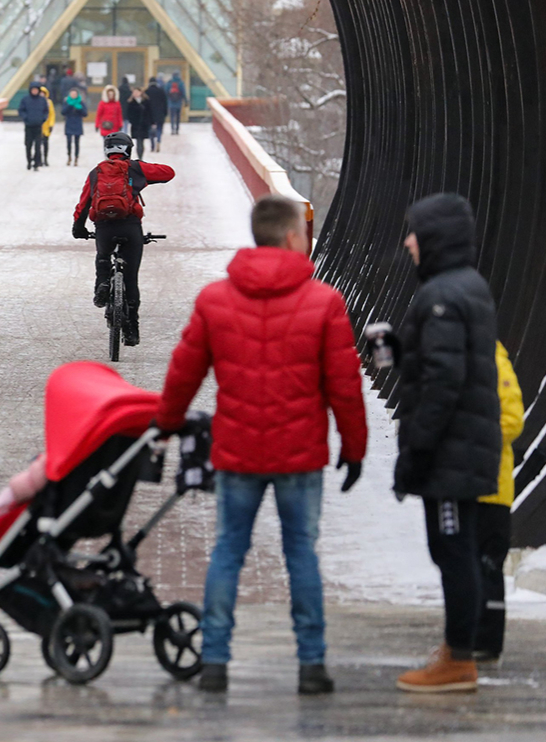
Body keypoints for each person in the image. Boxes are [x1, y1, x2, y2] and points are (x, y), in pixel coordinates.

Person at [155, 195, 367, 696]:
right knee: (301, 555)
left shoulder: (215, 300)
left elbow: (184, 372)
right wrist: (354, 448)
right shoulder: (324, 302)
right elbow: (344, 385)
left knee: (228, 551)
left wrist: (166, 423)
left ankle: (214, 662)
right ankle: (311, 665)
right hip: (300, 454)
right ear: (293, 236)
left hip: (238, 452)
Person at [388, 193, 502, 693]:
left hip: (451, 452)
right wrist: (399, 348)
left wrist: (418, 449)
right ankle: (458, 647)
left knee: (452, 549)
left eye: (414, 232)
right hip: (467, 446)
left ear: (434, 238)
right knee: (456, 548)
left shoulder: (440, 297)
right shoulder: (464, 287)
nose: (408, 242)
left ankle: (459, 660)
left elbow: (443, 381)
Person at [71, 132, 175, 347]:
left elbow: (83, 204)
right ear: (128, 149)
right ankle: (132, 331)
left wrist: (78, 227)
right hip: (130, 226)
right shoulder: (135, 169)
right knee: (130, 278)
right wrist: (142, 172)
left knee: (103, 255)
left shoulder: (96, 172)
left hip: (104, 228)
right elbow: (169, 173)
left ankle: (102, 283)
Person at [474, 341, 523, 662]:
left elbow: (512, 420)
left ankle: (488, 642)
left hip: (492, 487)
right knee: (469, 566)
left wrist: (467, 437)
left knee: (488, 565)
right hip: (468, 486)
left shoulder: (493, 359)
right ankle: (471, 639)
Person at [17, 83, 49, 170]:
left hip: (38, 126)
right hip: (29, 126)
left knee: (38, 145)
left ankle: (36, 163)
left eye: (36, 90)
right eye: (33, 90)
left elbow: (46, 111)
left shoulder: (42, 100)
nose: (34, 91)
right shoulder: (25, 99)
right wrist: (25, 118)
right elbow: (21, 110)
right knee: (28, 145)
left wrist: (42, 119)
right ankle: (29, 161)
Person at [61, 88, 88, 166]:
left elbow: (85, 114)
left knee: (77, 142)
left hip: (77, 123)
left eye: (75, 94)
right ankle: (69, 156)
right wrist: (70, 106)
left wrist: (79, 108)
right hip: (69, 123)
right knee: (69, 141)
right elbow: (63, 112)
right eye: (72, 94)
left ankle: (76, 158)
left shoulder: (81, 102)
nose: (73, 95)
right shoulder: (67, 102)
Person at [125, 87, 151, 159]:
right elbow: (128, 113)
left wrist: (149, 122)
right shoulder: (131, 102)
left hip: (144, 125)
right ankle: (139, 156)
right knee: (138, 141)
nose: (135, 94)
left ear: (141, 92)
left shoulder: (146, 101)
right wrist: (132, 120)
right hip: (135, 125)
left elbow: (149, 112)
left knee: (141, 141)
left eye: (137, 92)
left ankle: (140, 156)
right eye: (134, 92)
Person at [146, 77, 168, 152]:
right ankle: (158, 141)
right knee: (159, 129)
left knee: (150, 130)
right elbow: (165, 103)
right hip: (160, 113)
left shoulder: (147, 91)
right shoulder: (161, 91)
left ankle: (152, 145)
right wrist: (165, 113)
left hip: (149, 114)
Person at [39, 85, 56, 166]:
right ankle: (38, 159)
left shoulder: (49, 102)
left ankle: (45, 159)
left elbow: (52, 114)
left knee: (45, 143)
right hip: (38, 125)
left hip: (46, 126)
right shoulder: (36, 102)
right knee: (38, 144)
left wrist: (51, 124)